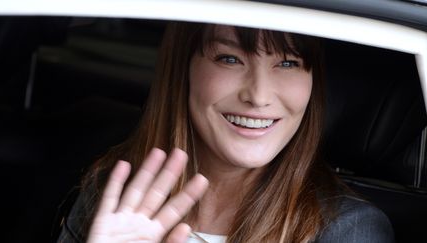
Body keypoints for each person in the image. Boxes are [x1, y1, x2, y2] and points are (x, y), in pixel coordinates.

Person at [57, 22, 394, 243]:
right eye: (229, 59)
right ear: (183, 69)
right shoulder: (113, 194)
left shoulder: (349, 231)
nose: (259, 96)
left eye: (288, 62)